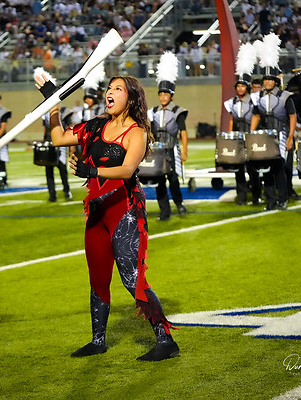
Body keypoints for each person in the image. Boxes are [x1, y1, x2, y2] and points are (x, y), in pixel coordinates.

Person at [35, 73, 179, 361]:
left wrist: (92, 170)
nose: (109, 92)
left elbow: (127, 170)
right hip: (97, 212)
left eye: (118, 89)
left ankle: (166, 340)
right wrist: (53, 104)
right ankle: (97, 340)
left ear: (131, 98)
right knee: (98, 278)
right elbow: (58, 138)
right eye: (109, 88)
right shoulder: (97, 125)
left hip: (124, 211)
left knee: (132, 279)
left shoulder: (137, 132)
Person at [251, 34, 296, 210]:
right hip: (264, 137)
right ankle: (270, 201)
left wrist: (290, 137)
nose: (268, 82)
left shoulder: (285, 96)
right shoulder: (258, 96)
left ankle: (282, 199)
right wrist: (251, 135)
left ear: (276, 81)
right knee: (266, 170)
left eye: (270, 79)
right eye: (266, 80)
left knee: (279, 169)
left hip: (282, 135)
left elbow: (292, 116)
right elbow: (256, 116)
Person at [148, 52, 187, 221]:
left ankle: (179, 203)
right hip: (158, 152)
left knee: (173, 179)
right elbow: (150, 132)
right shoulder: (153, 112)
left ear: (172, 96)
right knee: (159, 181)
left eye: (166, 94)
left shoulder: (178, 111)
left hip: (172, 150)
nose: (163, 97)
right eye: (160, 94)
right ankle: (164, 211)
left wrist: (184, 151)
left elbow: (183, 132)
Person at [223, 43, 257, 205]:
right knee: (239, 170)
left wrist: (251, 134)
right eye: (238, 86)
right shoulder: (232, 102)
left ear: (247, 87)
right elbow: (231, 119)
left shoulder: (254, 100)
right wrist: (230, 137)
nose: (240, 88)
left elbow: (257, 117)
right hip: (237, 138)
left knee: (253, 168)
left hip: (251, 138)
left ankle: (256, 196)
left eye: (243, 86)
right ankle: (242, 197)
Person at [41, 106, 72, 202]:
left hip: (61, 143)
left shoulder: (64, 111)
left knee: (62, 168)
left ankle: (66, 190)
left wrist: (71, 145)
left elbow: (69, 127)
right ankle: (52, 195)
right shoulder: (45, 111)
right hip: (49, 142)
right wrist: (44, 141)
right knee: (49, 169)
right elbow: (45, 129)